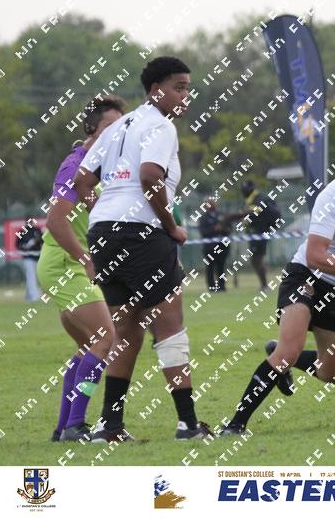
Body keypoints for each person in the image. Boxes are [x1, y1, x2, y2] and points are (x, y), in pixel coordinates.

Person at [221, 128, 335, 435]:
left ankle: (281, 355)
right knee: (287, 353)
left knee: (332, 373)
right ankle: (235, 425)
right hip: (306, 276)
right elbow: (316, 256)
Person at [75, 56, 211, 441]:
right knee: (170, 327)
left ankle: (109, 425)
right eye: (179, 88)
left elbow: (83, 181)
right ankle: (188, 424)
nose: (185, 96)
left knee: (126, 331)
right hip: (141, 235)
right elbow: (150, 176)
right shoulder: (161, 125)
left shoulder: (118, 125)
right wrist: (171, 227)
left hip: (104, 233)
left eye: (188, 89)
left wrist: (105, 213)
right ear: (156, 90)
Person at [37, 97, 125, 441]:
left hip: (67, 264)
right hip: (63, 264)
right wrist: (86, 260)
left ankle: (64, 428)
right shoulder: (75, 164)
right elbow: (56, 221)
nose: (116, 133)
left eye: (120, 127)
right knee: (105, 339)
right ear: (91, 129)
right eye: (109, 126)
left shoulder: (102, 166)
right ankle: (75, 425)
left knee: (90, 346)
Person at [237, 180, 283, 293]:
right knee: (256, 259)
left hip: (259, 233)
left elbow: (252, 214)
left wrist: (241, 216)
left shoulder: (257, 199)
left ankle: (264, 286)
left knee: (257, 259)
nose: (243, 192)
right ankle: (264, 285)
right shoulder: (254, 199)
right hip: (256, 233)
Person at [198, 198, 230, 292]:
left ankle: (222, 286)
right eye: (208, 203)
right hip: (210, 248)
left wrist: (223, 229)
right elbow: (203, 232)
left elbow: (229, 229)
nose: (211, 205)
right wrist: (214, 229)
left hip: (222, 246)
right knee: (210, 267)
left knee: (221, 267)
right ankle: (211, 287)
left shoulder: (222, 215)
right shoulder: (203, 218)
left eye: (212, 203)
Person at [16, 217, 43, 301]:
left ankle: (29, 296)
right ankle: (34, 296)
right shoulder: (21, 232)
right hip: (27, 257)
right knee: (31, 276)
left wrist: (37, 241)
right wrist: (25, 246)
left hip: (38, 257)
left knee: (37, 276)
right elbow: (17, 244)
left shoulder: (38, 230)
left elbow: (43, 241)